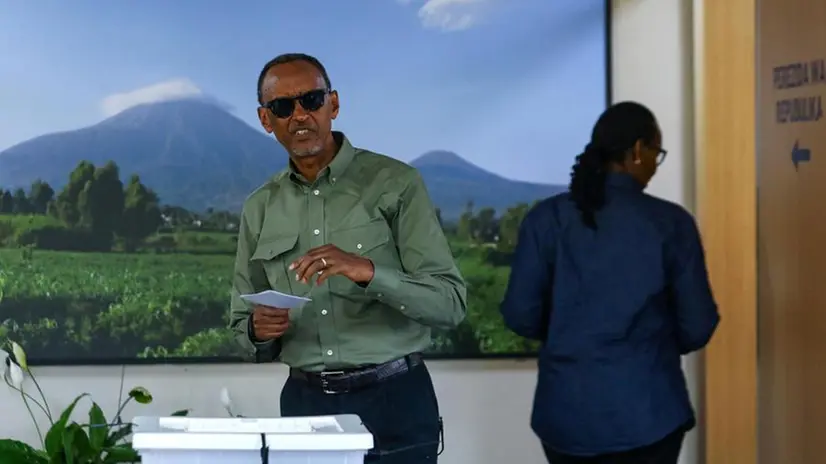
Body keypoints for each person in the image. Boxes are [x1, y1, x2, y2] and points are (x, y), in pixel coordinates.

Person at [228, 53, 467, 463]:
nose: (300, 115)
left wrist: (368, 272)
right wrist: (257, 330)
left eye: (312, 100)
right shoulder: (259, 207)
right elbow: (240, 328)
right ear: (267, 120)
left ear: (333, 104)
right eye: (283, 107)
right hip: (305, 407)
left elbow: (450, 304)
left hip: (395, 402)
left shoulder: (396, 184)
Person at [499, 101, 720, 464]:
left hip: (567, 416)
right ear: (637, 151)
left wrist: (569, 333)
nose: (654, 164)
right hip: (650, 413)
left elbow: (521, 314)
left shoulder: (546, 219)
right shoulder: (670, 223)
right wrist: (652, 345)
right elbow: (698, 326)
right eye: (656, 153)